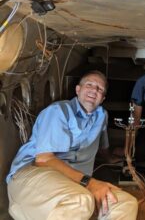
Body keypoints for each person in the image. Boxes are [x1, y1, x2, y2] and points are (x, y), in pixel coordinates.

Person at [6, 70, 138, 220]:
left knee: (126, 203)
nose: (94, 90)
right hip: (31, 178)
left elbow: (102, 146)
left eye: (99, 89)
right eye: (89, 84)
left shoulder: (101, 116)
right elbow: (43, 160)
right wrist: (90, 182)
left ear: (102, 99)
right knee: (81, 201)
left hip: (74, 184)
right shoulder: (59, 111)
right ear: (78, 90)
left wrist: (110, 157)